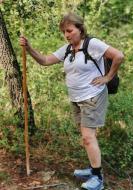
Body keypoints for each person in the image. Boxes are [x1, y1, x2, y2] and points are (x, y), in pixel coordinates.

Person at [20, 12, 124, 190]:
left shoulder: (92, 44)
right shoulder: (67, 49)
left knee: (88, 137)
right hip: (76, 99)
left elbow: (118, 56)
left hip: (93, 96)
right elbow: (45, 61)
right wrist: (29, 48)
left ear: (80, 29)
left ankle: (97, 179)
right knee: (88, 138)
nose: (67, 35)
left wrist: (107, 77)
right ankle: (93, 169)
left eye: (69, 30)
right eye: (64, 32)